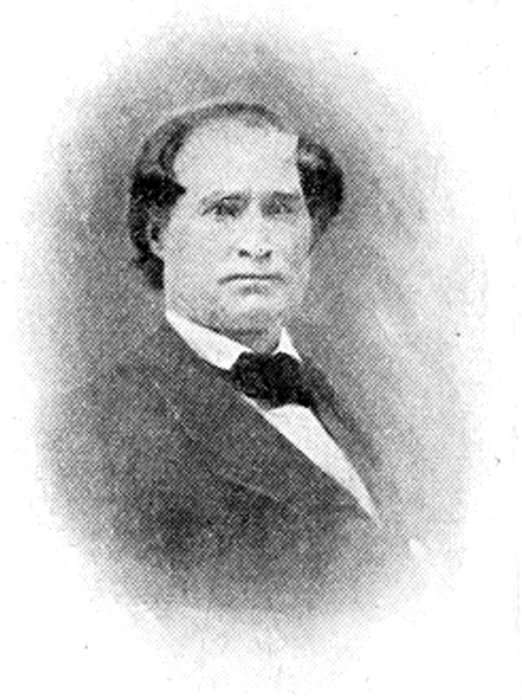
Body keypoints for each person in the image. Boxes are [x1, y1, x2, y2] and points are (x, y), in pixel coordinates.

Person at [41, 101, 422, 620]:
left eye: (281, 210)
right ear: (157, 234)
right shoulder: (88, 432)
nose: (258, 245)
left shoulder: (334, 398)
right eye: (224, 210)